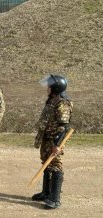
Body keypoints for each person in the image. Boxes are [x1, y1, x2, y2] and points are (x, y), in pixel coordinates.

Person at [33, 74, 72, 209]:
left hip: (54, 140)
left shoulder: (62, 103)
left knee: (55, 164)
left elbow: (65, 126)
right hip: (47, 138)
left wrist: (57, 144)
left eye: (49, 85)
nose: (47, 88)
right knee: (46, 163)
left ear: (55, 87)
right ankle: (46, 192)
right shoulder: (52, 100)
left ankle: (55, 199)